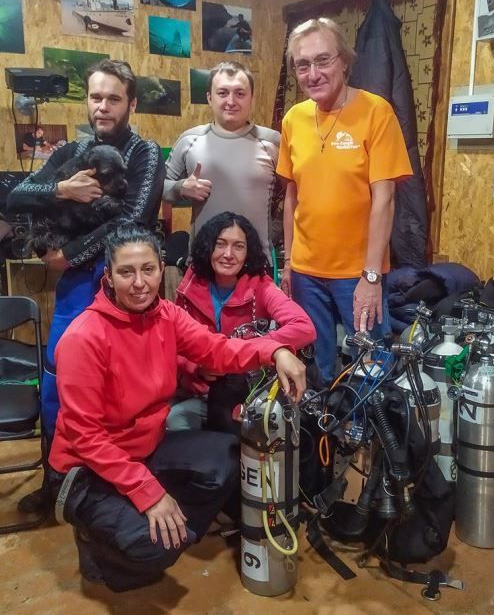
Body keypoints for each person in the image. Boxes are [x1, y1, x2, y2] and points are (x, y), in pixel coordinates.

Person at [47, 223, 306, 591]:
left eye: (148, 270)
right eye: (126, 272)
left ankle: (164, 526)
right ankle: (102, 553)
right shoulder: (83, 338)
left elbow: (218, 349)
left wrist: (274, 349)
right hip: (86, 472)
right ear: (109, 276)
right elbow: (85, 437)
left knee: (232, 454)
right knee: (153, 546)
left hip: (145, 449)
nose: (139, 283)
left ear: (161, 268)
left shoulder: (165, 314)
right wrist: (148, 494)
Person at [7, 59, 164, 510]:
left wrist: (66, 254)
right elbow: (17, 194)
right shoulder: (68, 153)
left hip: (126, 282)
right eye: (96, 97)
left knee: (125, 390)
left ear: (130, 103)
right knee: (60, 382)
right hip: (78, 284)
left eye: (113, 98)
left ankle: (124, 480)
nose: (103, 106)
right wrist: (61, 190)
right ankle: (58, 482)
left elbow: (132, 218)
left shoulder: (145, 152)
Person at [277, 17, 413, 384]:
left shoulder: (376, 112)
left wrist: (371, 276)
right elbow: (293, 195)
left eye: (323, 60)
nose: (313, 73)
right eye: (302, 65)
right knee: (317, 369)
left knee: (369, 370)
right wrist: (289, 262)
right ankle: (324, 439)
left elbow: (385, 199)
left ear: (344, 61)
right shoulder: (294, 119)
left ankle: (366, 440)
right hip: (306, 273)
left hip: (357, 274)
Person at [167, 211, 316, 432]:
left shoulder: (260, 286)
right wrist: (197, 367)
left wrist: (247, 351)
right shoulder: (190, 287)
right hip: (202, 392)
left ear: (248, 253)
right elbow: (173, 344)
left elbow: (304, 328)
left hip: (251, 392)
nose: (228, 254)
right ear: (208, 247)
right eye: (220, 244)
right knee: (174, 421)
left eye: (238, 246)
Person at [163, 61, 279, 264]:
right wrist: (181, 188)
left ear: (251, 98)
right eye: (223, 93)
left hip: (256, 264)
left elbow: (296, 195)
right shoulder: (189, 140)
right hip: (203, 262)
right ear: (210, 97)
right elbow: (159, 187)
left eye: (240, 93)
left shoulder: (273, 141)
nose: (231, 101)